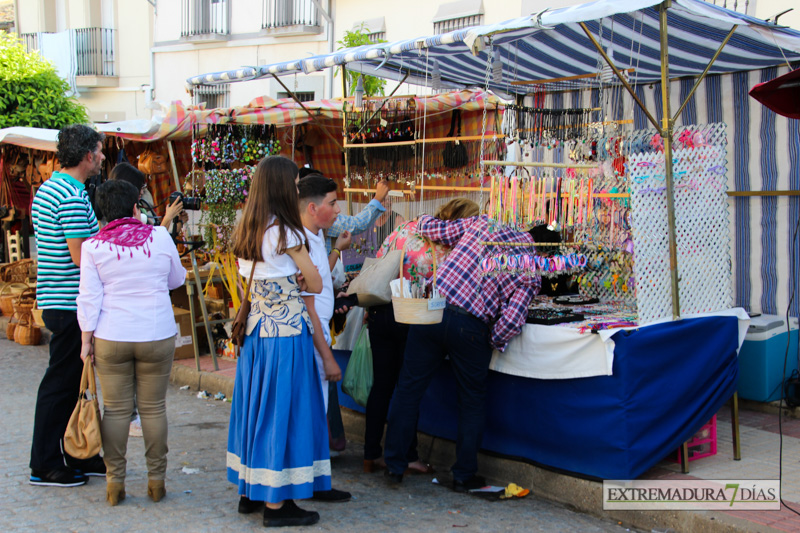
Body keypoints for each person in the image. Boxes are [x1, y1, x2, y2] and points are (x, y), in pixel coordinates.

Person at [383, 212, 540, 492]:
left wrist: (420, 221)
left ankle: (394, 465)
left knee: (408, 389)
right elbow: (513, 319)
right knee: (471, 402)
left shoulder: (482, 223)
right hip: (471, 326)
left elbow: (437, 229)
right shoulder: (530, 263)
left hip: (433, 311)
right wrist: (490, 339)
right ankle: (463, 475)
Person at [227, 156, 330, 528]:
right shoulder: (288, 232)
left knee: (257, 412)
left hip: (257, 336)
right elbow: (315, 283)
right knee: (283, 414)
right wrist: (302, 281)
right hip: (286, 337)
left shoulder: (247, 228)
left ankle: (249, 493)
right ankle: (276, 505)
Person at [76, 180, 186, 505]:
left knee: (117, 411)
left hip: (111, 335)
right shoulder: (159, 237)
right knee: (153, 409)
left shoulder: (93, 247)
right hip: (156, 333)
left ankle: (115, 484)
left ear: (100, 213)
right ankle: (156, 481)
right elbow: (176, 279)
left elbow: (89, 298)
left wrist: (86, 341)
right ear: (135, 207)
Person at [363, 198, 479, 476]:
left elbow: (379, 260)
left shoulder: (407, 227)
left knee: (382, 387)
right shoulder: (451, 245)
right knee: (407, 389)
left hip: (381, 309)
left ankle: (370, 454)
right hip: (414, 315)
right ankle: (408, 456)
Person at [29, 124, 105, 488]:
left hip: (55, 296)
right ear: (88, 154)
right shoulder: (72, 196)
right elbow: (81, 256)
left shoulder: (48, 189)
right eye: (101, 151)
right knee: (61, 384)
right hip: (69, 300)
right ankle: (44, 463)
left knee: (70, 381)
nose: (103, 158)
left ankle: (74, 453)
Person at [107, 162, 185, 439]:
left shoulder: (101, 238)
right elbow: (148, 248)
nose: (144, 194)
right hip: (141, 323)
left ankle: (131, 423)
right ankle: (135, 421)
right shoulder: (123, 220)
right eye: (140, 189)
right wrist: (165, 222)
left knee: (129, 381)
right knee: (143, 388)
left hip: (117, 325)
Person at [297, 174, 355, 503]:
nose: (337, 210)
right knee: (313, 409)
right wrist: (327, 353)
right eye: (332, 204)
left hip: (319, 334)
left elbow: (319, 277)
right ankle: (313, 481)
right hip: (312, 335)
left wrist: (336, 250)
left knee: (318, 408)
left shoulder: (316, 237)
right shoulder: (298, 240)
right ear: (312, 207)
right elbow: (308, 300)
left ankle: (318, 480)